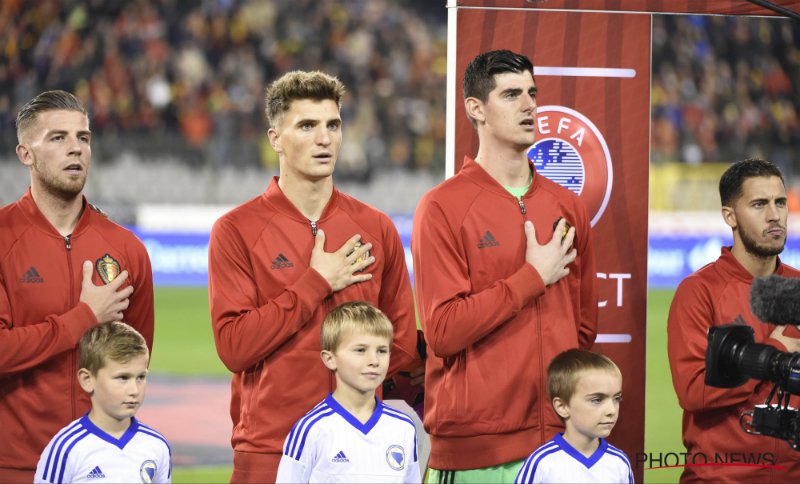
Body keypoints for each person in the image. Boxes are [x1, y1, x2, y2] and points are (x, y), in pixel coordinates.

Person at [208, 70, 420, 483]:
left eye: (333, 125)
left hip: (363, 451)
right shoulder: (236, 230)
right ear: (275, 138)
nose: (325, 138)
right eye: (307, 125)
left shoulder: (376, 228)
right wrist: (316, 282)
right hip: (271, 450)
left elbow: (403, 344)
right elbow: (234, 347)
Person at [412, 49, 598, 481]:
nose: (530, 104)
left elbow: (583, 327)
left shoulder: (567, 205)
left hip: (560, 445)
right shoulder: (442, 207)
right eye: (511, 94)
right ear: (475, 109)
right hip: (477, 454)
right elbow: (442, 331)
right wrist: (532, 278)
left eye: (532, 92)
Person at [0, 90, 154, 481]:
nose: (76, 149)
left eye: (83, 138)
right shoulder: (3, 240)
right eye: (58, 138)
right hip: (17, 464)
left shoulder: (126, 248)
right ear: (25, 154)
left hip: (105, 465)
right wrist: (84, 317)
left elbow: (136, 358)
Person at [667, 158, 800, 483]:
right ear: (730, 216)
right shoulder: (699, 292)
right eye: (759, 204)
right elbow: (693, 392)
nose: (774, 215)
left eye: (779, 202)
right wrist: (772, 352)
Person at [275, 302, 420, 483]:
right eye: (360, 350)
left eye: (382, 351)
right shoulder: (312, 429)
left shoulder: (403, 427)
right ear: (330, 359)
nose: (374, 360)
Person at [34, 322, 170, 483]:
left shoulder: (157, 445)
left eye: (140, 377)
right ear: (87, 380)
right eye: (123, 378)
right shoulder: (66, 448)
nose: (134, 390)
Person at [515, 349, 632, 484]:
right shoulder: (542, 463)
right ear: (562, 407)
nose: (611, 410)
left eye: (616, 398)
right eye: (597, 400)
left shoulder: (619, 463)